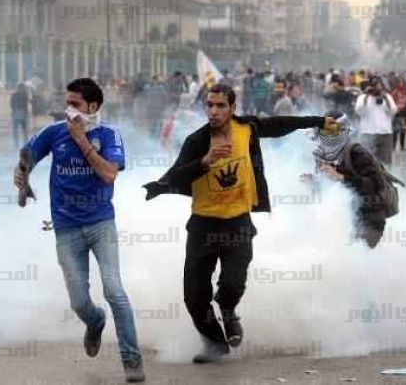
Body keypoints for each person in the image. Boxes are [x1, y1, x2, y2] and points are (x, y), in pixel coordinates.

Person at [143, 84, 338, 364]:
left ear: (232, 108)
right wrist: (204, 162)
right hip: (203, 227)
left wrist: (318, 121)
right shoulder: (197, 141)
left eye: (220, 106)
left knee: (231, 286)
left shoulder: (247, 128)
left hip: (238, 224)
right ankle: (215, 344)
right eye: (210, 105)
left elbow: (279, 124)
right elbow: (174, 177)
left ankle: (229, 312)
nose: (214, 111)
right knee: (194, 297)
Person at [13, 78, 145, 382]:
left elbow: (109, 174)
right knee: (79, 303)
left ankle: (132, 360)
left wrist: (82, 141)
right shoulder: (54, 132)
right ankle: (95, 322)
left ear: (93, 106)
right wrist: (21, 175)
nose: (69, 110)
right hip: (66, 227)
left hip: (101, 223)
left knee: (114, 291)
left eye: (75, 104)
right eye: (67, 103)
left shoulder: (109, 134)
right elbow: (26, 154)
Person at [311, 115, 390, 248]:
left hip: (370, 218)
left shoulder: (357, 153)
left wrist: (341, 178)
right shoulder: (326, 156)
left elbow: (376, 183)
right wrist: (315, 183)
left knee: (358, 254)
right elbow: (332, 189)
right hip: (346, 218)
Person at [354, 77, 397, 165]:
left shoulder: (387, 97)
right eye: (374, 86)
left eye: (379, 86)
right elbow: (359, 111)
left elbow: (393, 111)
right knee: (367, 162)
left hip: (385, 133)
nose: (377, 89)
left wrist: (385, 98)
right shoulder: (362, 97)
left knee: (386, 162)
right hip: (368, 133)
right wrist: (367, 95)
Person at [391, 77, 406, 151]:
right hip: (397, 113)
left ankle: (402, 146)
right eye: (400, 82)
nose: (401, 84)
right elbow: (392, 102)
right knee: (395, 130)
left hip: (405, 113)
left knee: (403, 130)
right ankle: (393, 146)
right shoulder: (395, 92)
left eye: (403, 82)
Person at [10, 83, 30, 150]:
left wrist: (15, 111)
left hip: (16, 114)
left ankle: (16, 145)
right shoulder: (25, 94)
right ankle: (25, 144)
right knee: (24, 130)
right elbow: (26, 104)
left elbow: (11, 105)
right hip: (23, 114)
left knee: (16, 131)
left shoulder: (14, 95)